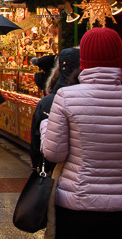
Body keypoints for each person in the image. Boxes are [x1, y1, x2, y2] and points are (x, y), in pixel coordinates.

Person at [41, 27, 122, 238]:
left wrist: (44, 128)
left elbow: (53, 153)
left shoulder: (66, 97)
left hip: (77, 202)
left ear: (83, 59)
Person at [29, 48, 79, 171]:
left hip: (66, 178)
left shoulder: (50, 102)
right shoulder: (107, 98)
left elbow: (48, 150)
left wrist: (45, 125)